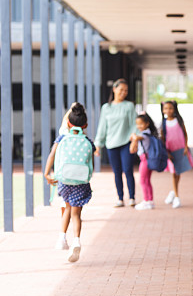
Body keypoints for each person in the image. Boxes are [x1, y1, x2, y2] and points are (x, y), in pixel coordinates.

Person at [44, 102, 95, 263]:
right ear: (85, 125)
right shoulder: (88, 141)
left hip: (64, 180)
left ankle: (62, 237)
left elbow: (52, 155)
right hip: (81, 181)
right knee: (76, 213)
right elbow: (90, 162)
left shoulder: (62, 138)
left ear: (68, 123)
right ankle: (77, 240)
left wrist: (46, 173)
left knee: (66, 207)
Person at [94, 79, 137, 207]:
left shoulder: (129, 106)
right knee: (117, 172)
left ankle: (132, 198)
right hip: (111, 144)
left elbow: (134, 125)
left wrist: (134, 140)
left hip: (125, 143)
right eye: (121, 90)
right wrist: (98, 145)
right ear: (114, 89)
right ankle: (120, 198)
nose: (124, 92)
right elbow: (102, 127)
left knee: (128, 169)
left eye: (126, 90)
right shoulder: (106, 108)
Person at [160, 101, 192, 208]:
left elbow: (185, 133)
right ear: (163, 110)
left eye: (170, 108)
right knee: (174, 173)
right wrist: (166, 153)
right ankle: (177, 196)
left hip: (181, 150)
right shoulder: (163, 123)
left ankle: (174, 192)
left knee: (178, 173)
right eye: (166, 108)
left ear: (174, 109)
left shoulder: (179, 120)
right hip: (171, 152)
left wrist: (186, 147)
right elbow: (163, 139)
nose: (168, 111)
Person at [130, 113, 158, 210]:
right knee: (147, 180)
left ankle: (146, 201)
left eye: (141, 124)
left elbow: (138, 138)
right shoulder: (149, 132)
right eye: (137, 124)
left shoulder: (145, 134)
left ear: (147, 124)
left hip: (145, 160)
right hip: (148, 159)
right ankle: (150, 200)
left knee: (142, 180)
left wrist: (134, 136)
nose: (139, 126)